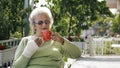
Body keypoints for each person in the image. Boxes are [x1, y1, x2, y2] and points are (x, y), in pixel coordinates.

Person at [12, 7, 81, 68]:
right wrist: (28, 52)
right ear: (34, 25)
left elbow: (77, 54)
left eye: (47, 22)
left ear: (50, 23)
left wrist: (62, 41)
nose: (44, 24)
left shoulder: (57, 40)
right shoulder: (26, 41)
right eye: (40, 22)